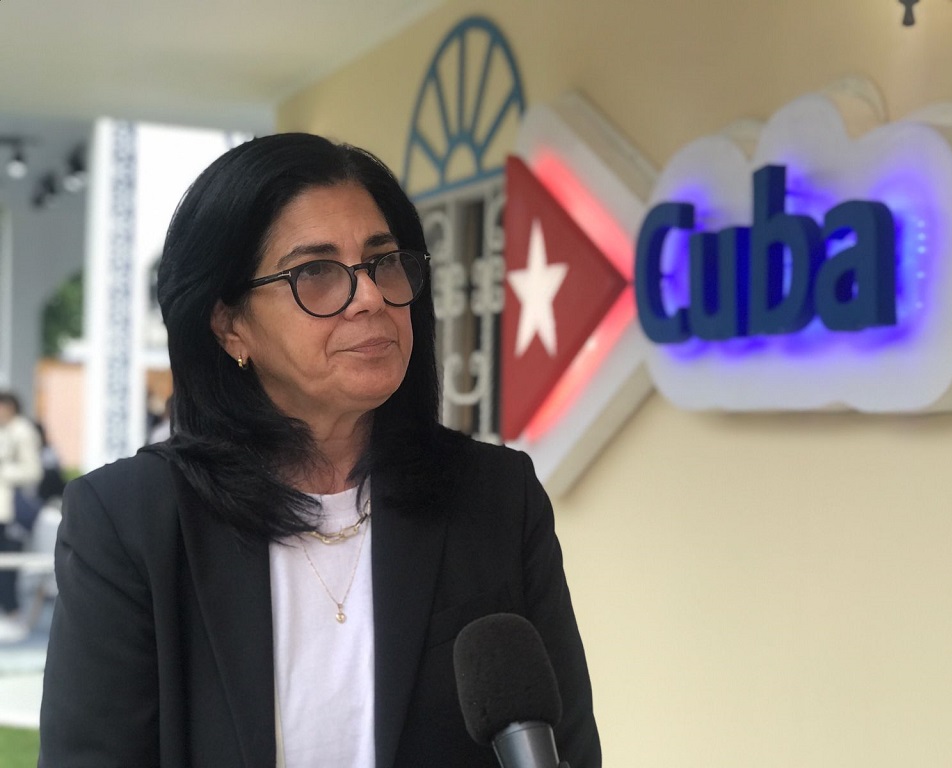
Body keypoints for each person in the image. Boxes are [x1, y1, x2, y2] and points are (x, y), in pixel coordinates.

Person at [39, 134, 601, 767]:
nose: (371, 297)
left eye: (384, 261)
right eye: (316, 273)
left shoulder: (496, 497)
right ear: (229, 325)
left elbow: (568, 748)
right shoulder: (129, 522)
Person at [0, 390, 43, 624]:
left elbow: (33, 471)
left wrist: (4, 471)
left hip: (11, 512)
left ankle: (12, 612)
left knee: (9, 566)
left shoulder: (22, 431)